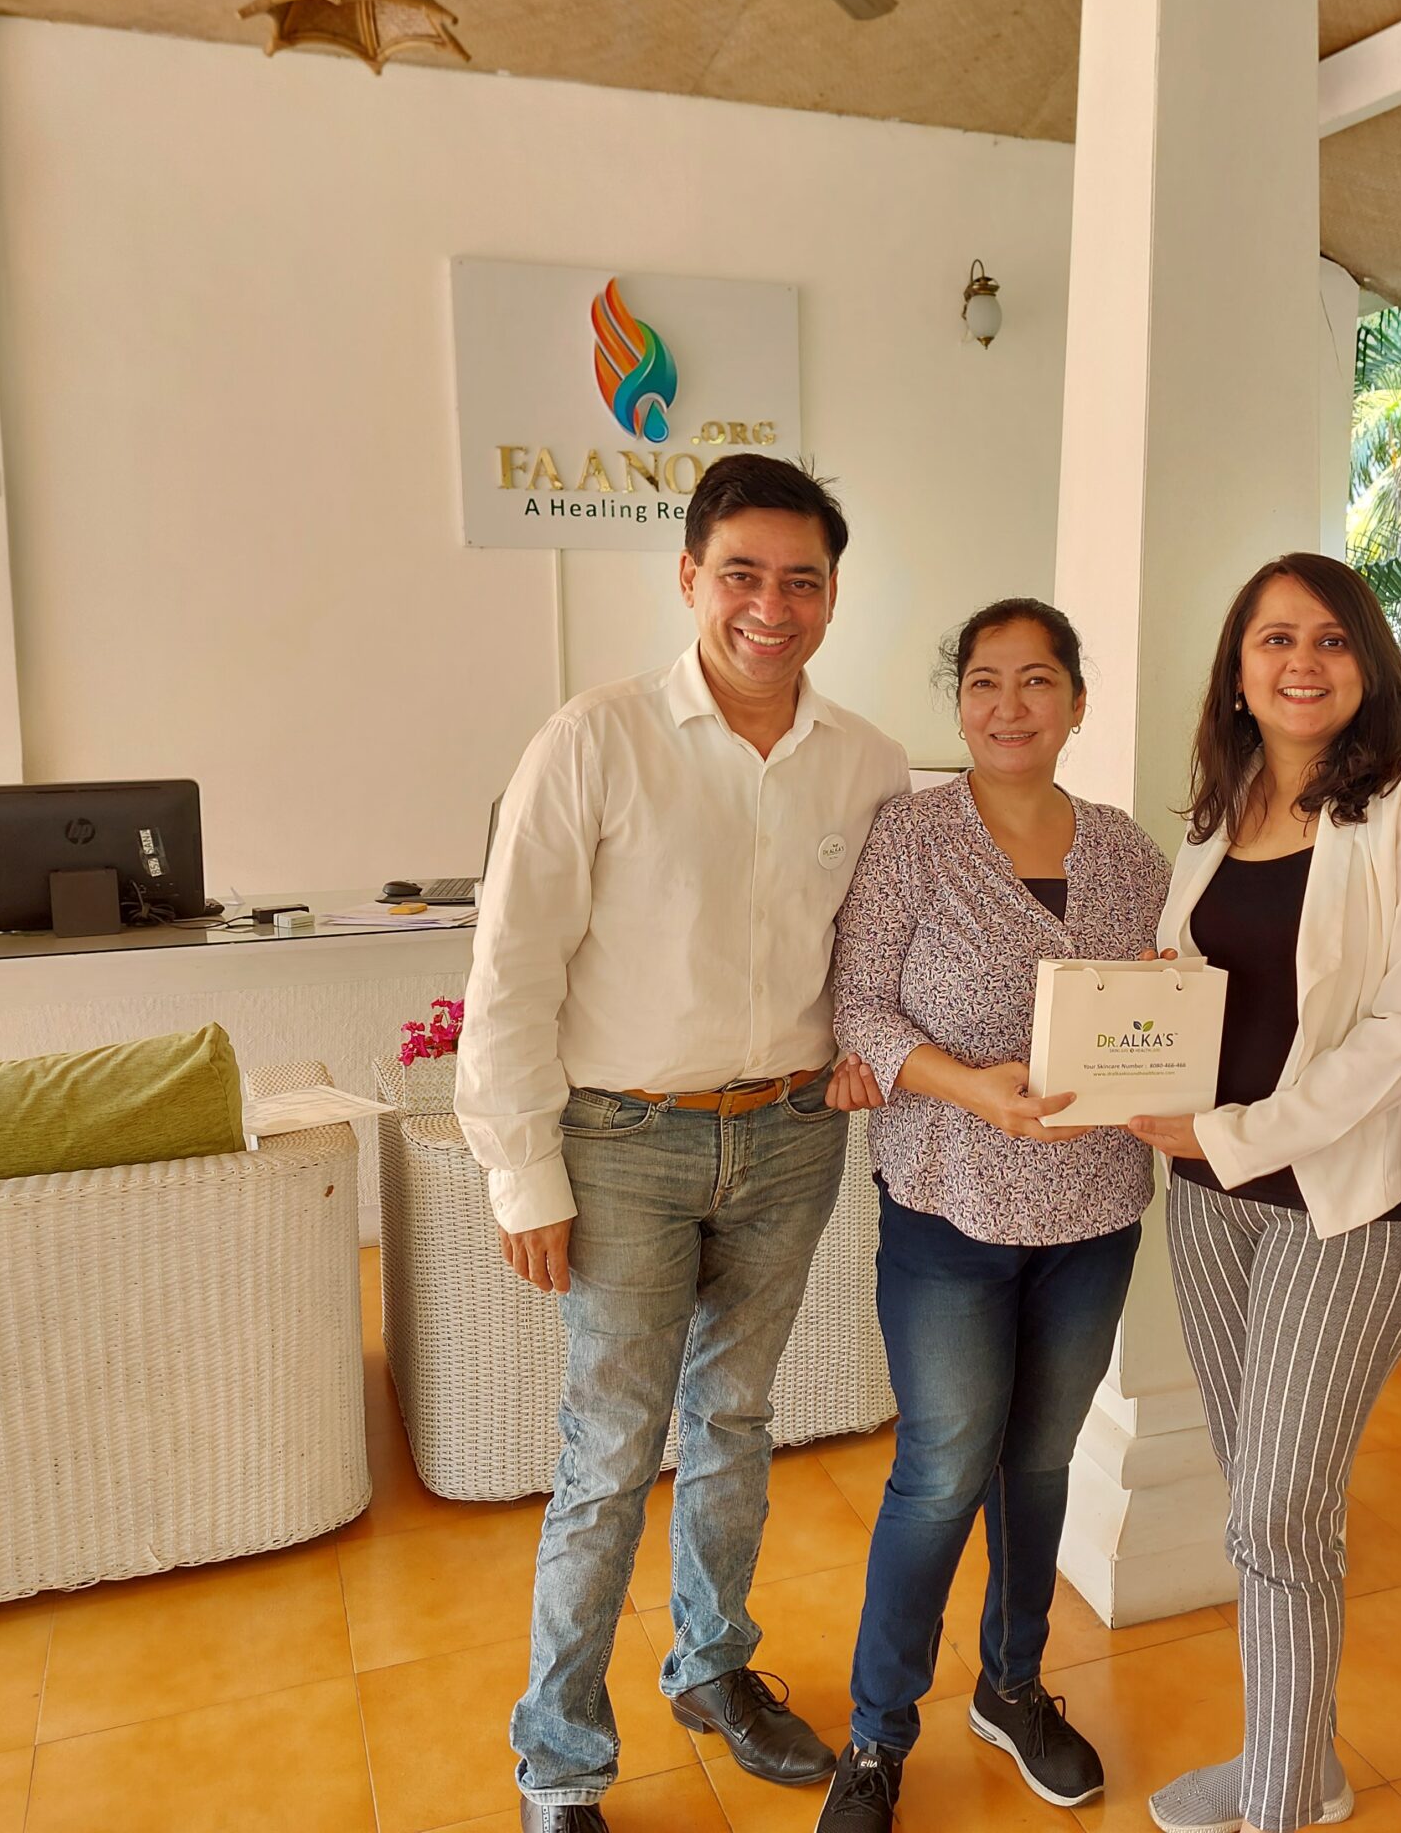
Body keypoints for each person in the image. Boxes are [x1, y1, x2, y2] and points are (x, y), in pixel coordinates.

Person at [456, 453, 908, 1833]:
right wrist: (521, 1171)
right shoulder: (593, 740)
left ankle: (712, 1668)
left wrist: (870, 1049)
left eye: (802, 580)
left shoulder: (868, 764)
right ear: (689, 578)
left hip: (789, 1137)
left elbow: (875, 955)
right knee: (609, 1454)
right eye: (742, 575)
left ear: (833, 595)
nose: (772, 607)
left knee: (735, 1422)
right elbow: (511, 970)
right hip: (622, 1144)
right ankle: (561, 1761)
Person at [1127, 552, 1401, 1833]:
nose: (1302, 662)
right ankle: (1299, 1761)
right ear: (1236, 672)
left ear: (1370, 664)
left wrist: (1236, 1132)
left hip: (1356, 1207)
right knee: (1260, 1507)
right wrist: (1148, 1009)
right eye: (1275, 639)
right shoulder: (1218, 811)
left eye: (1332, 639)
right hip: (1210, 1193)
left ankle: (1278, 1804)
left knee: (1278, 1513)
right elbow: (1210, 985)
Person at [812, 599, 1170, 1832]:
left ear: (1077, 701)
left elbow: (1156, 1006)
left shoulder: (1127, 852)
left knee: (1039, 1460)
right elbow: (859, 1008)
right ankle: (877, 1735)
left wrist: (1164, 1027)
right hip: (947, 1204)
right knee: (939, 1472)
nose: (1008, 706)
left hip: (1095, 1209)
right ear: (958, 703)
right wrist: (975, 1091)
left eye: (1035, 681)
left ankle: (1013, 1687)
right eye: (983, 682)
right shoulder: (911, 836)